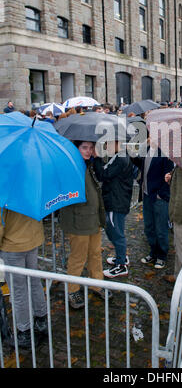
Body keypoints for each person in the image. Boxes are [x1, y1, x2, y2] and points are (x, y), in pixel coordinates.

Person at [59, 141, 108, 309]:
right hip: (78, 221)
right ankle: (72, 289)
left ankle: (97, 283)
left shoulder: (91, 164)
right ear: (76, 148)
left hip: (93, 219)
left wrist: (97, 160)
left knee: (95, 253)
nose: (89, 151)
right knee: (78, 257)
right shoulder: (70, 166)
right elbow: (67, 194)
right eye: (84, 147)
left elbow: (103, 178)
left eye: (91, 147)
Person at [0, 209, 48, 348]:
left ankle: (24, 332)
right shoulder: (30, 187)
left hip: (13, 246)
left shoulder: (4, 191)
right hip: (32, 240)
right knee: (34, 282)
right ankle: (41, 320)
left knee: (18, 291)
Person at [93, 140, 134, 278]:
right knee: (115, 230)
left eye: (108, 143)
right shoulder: (119, 156)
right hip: (116, 199)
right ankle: (121, 257)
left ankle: (121, 265)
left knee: (115, 232)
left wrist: (97, 158)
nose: (106, 146)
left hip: (116, 201)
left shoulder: (121, 158)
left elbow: (103, 175)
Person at [133, 136, 174, 270]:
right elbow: (142, 165)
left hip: (159, 197)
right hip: (146, 194)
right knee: (149, 226)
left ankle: (161, 256)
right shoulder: (148, 149)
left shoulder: (166, 153)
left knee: (161, 228)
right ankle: (153, 252)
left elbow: (168, 176)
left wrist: (160, 194)